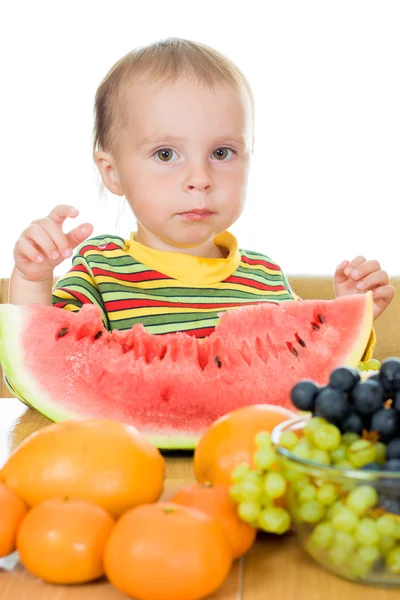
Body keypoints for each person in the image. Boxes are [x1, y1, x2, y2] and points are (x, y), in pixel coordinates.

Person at [9, 38, 394, 339]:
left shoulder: (267, 279)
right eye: (165, 154)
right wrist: (32, 280)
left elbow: (312, 374)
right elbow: (45, 357)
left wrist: (349, 315)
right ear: (113, 173)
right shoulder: (98, 272)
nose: (200, 177)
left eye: (222, 152)